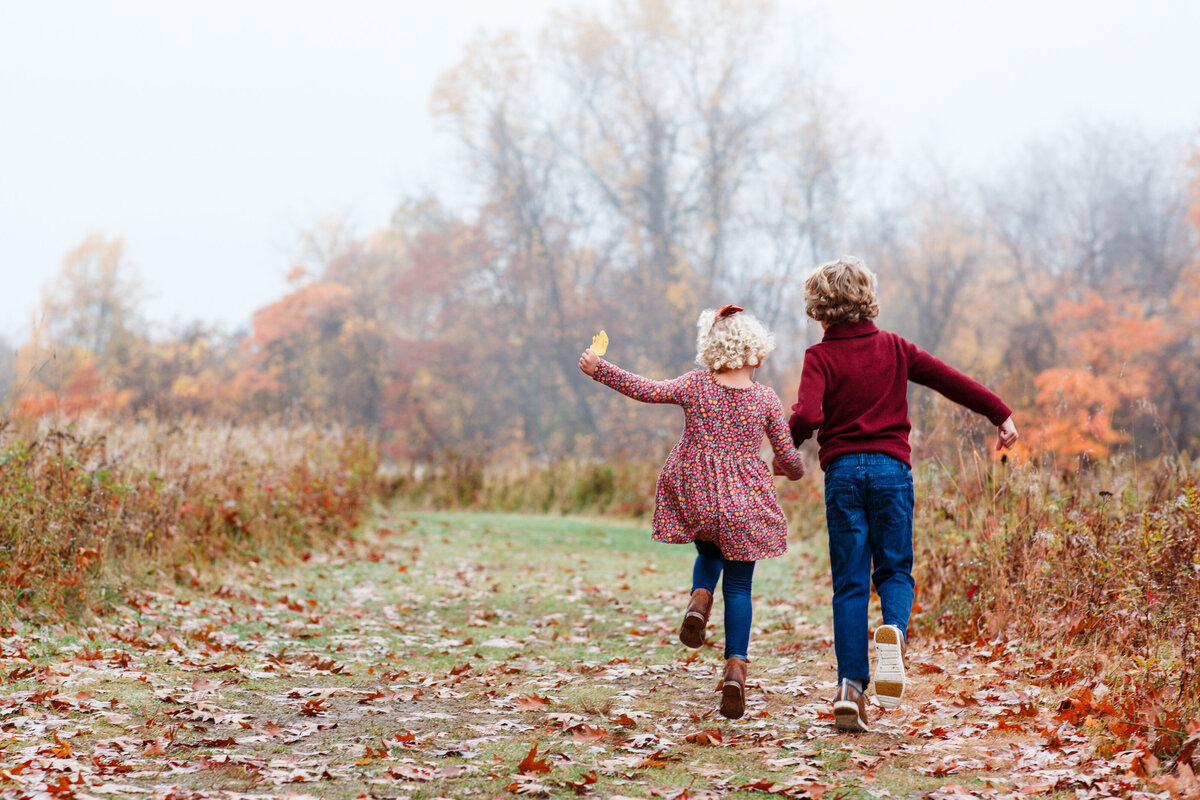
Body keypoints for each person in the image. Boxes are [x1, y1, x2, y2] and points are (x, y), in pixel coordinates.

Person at [785, 256, 1018, 733]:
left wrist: (787, 445)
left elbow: (808, 414)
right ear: (867, 297)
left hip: (843, 475)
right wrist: (1001, 413)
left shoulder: (819, 357)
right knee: (894, 568)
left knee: (849, 581)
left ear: (819, 306)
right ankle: (893, 628)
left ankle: (850, 688)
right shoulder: (894, 347)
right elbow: (951, 380)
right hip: (892, 472)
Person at [579, 305, 806, 720]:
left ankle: (699, 601)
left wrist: (600, 369)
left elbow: (644, 389)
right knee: (739, 587)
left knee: (707, 553)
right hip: (744, 504)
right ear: (756, 355)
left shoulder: (695, 385)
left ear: (712, 351)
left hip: (696, 493)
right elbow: (788, 455)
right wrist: (792, 469)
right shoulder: (764, 398)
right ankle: (736, 669)